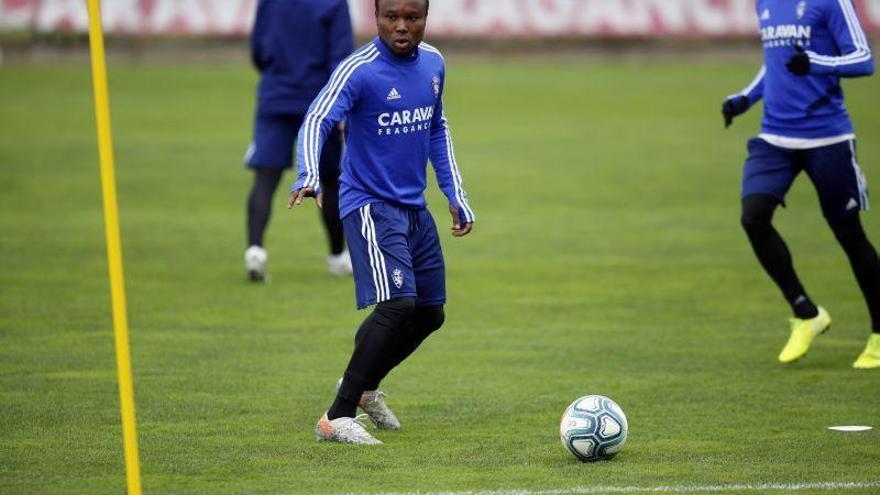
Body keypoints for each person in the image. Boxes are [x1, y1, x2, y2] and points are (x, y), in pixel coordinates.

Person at [288, 0, 475, 444]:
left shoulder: (434, 63)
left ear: (426, 18)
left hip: (414, 206)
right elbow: (317, 118)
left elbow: (436, 128)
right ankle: (337, 415)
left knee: (430, 313)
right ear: (376, 18)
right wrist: (311, 175)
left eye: (412, 17)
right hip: (370, 203)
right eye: (392, 16)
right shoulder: (359, 69)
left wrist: (455, 194)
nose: (402, 26)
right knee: (396, 304)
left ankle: (366, 387)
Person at [722, 0, 879, 368]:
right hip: (775, 137)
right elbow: (776, 63)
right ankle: (806, 313)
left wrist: (816, 63)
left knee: (849, 236)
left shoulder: (831, 2)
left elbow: (863, 59)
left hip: (827, 138)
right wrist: (746, 97)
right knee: (753, 217)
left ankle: (878, 333)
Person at [243, 0, 354, 282]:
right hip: (320, 103)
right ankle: (337, 256)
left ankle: (255, 251)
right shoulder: (334, 3)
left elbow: (257, 48)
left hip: (276, 96)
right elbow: (340, 56)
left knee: (265, 177)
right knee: (330, 179)